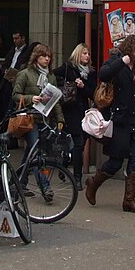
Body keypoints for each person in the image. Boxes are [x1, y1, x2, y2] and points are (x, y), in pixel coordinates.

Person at [85, 34, 135, 213]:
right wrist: (122, 62)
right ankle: (94, 183)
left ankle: (129, 201)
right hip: (119, 121)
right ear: (129, 45)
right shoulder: (117, 61)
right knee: (115, 162)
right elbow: (103, 74)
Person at [11, 43, 64, 190]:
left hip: (45, 119)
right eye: (43, 56)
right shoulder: (25, 74)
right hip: (30, 119)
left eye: (49, 57)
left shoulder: (51, 76)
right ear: (36, 57)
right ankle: (45, 187)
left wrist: (60, 119)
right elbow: (15, 95)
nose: (47, 59)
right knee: (36, 152)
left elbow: (55, 100)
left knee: (30, 153)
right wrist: (30, 98)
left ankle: (18, 183)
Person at [54, 42, 97, 190]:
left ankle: (64, 163)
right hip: (70, 110)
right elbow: (52, 75)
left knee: (81, 142)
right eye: (84, 53)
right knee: (78, 143)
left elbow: (92, 94)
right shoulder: (68, 68)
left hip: (83, 110)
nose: (87, 56)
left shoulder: (91, 73)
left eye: (88, 54)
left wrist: (83, 86)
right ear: (78, 54)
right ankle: (77, 178)